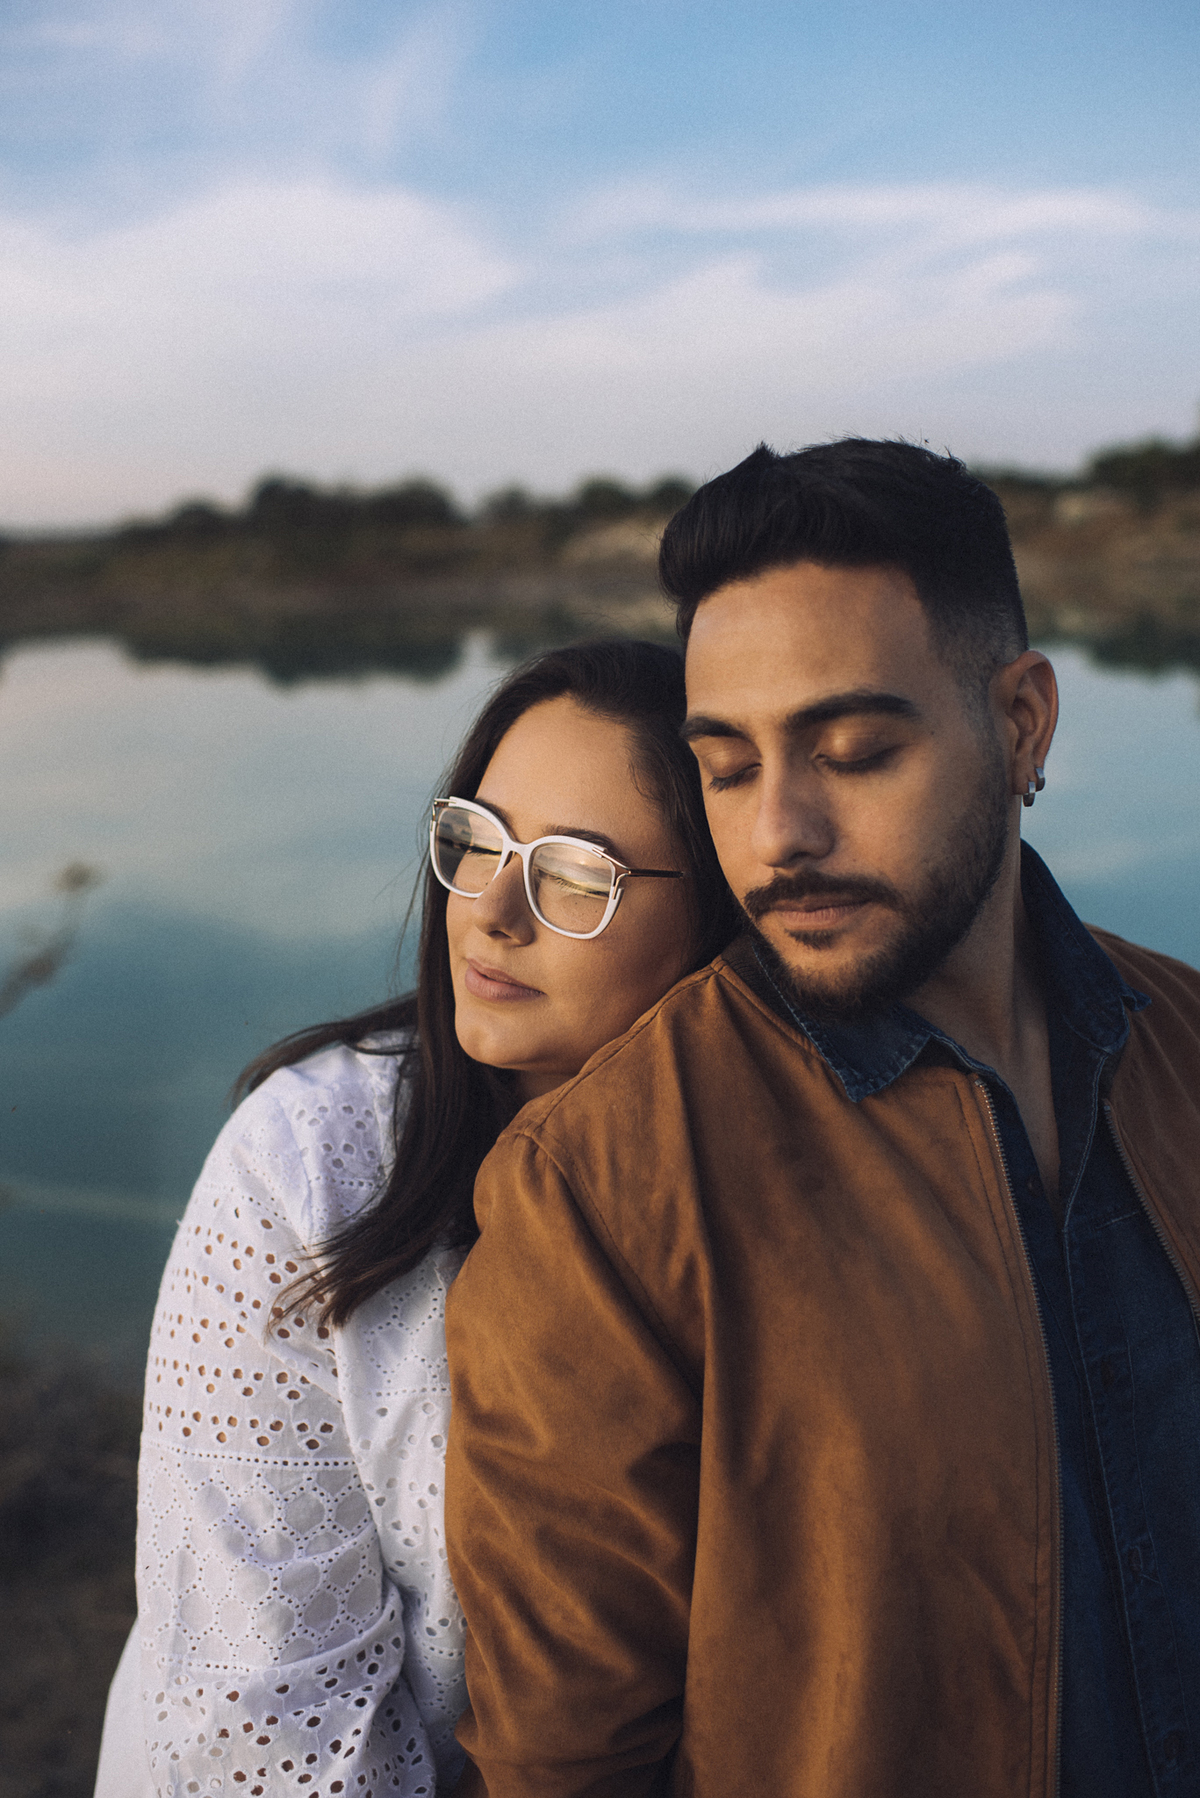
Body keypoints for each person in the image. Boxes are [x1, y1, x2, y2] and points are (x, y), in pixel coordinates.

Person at [444, 440, 1200, 1797]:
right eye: (726, 768)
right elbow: (566, 1763)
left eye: (853, 751)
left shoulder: (1186, 1043)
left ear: (1023, 723)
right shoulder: (602, 1185)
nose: (779, 832)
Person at [93, 639, 739, 1798]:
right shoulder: (311, 1160)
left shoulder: (764, 1190)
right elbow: (261, 1715)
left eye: (577, 874)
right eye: (474, 839)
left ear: (718, 916)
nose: (492, 910)